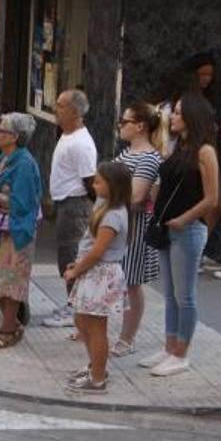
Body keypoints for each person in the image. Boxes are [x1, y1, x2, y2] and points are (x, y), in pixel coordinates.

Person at [139, 92, 220, 377]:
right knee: (171, 294)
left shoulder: (205, 152)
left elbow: (212, 198)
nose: (172, 116)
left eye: (177, 112)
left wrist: (183, 220)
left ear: (191, 116)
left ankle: (181, 353)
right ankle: (169, 346)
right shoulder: (179, 146)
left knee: (185, 295)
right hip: (167, 227)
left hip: (188, 231)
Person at [0, 112, 43, 350]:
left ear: (15, 137)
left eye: (2, 130)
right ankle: (12, 324)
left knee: (9, 281)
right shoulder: (4, 157)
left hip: (15, 231)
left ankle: (8, 328)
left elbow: (21, 204)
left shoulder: (24, 164)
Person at [62, 162, 132, 395]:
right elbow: (90, 246)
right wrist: (79, 264)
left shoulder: (113, 215)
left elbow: (97, 251)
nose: (93, 185)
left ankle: (98, 379)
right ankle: (95, 366)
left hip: (102, 274)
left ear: (113, 186)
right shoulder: (106, 207)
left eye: (99, 182)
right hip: (94, 272)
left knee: (96, 327)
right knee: (82, 321)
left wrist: (76, 270)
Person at [41, 90, 99, 328]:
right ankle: (73, 302)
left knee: (72, 256)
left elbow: (90, 181)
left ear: (75, 112)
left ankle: (76, 309)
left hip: (75, 205)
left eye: (61, 105)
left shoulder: (81, 144)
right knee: (66, 255)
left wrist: (93, 210)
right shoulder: (66, 135)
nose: (56, 109)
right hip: (64, 203)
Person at [113, 102, 164, 357]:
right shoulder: (127, 152)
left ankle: (127, 338)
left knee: (131, 282)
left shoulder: (148, 157)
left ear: (140, 126)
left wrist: (109, 197)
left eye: (125, 122)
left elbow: (136, 197)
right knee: (120, 280)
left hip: (133, 227)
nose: (120, 126)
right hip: (118, 223)